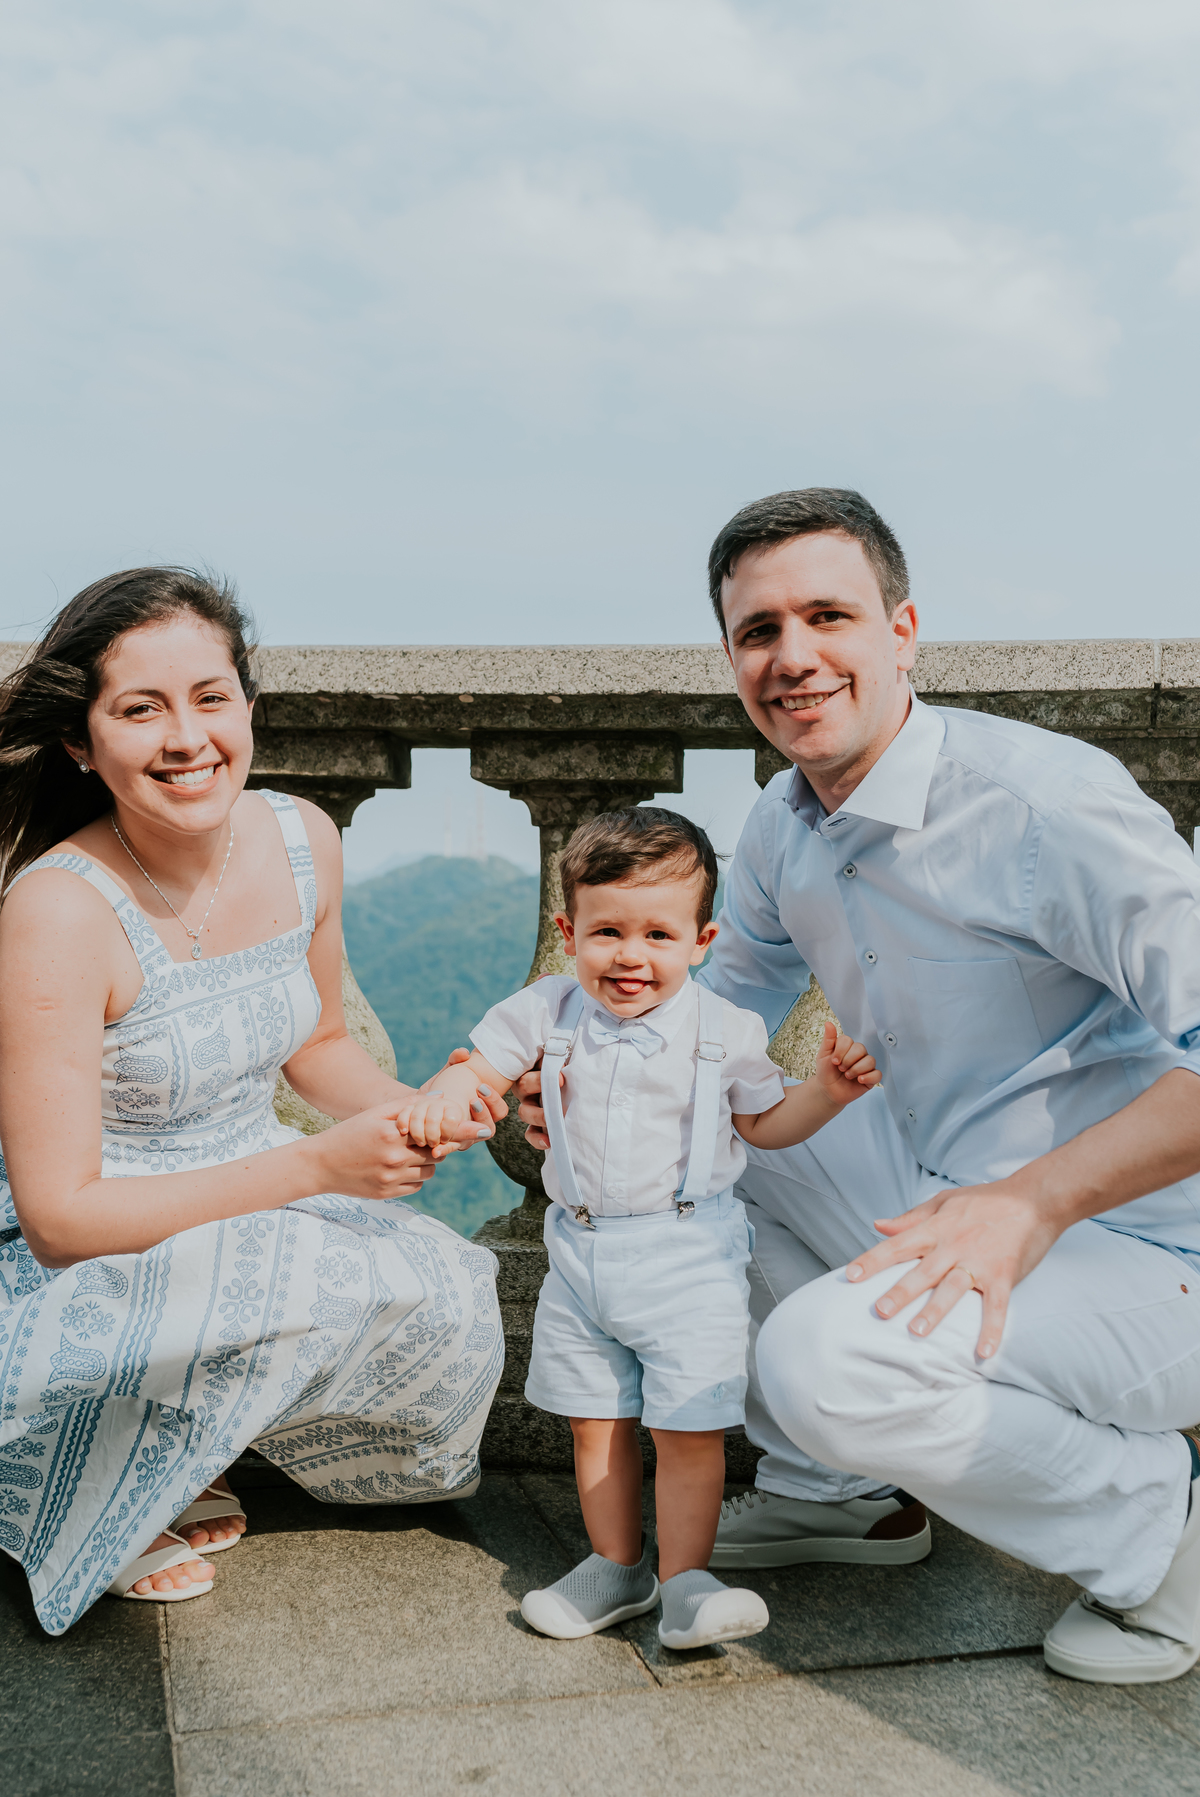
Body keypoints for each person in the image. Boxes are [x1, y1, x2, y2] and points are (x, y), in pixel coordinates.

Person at [0, 567, 507, 1635]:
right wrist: (317, 1165)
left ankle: (182, 1443)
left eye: (210, 697)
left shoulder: (302, 836)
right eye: (141, 709)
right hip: (99, 1234)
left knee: (443, 1295)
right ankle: (89, 1476)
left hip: (253, 1175)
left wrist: (422, 1109)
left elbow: (318, 1045)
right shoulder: (55, 910)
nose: (187, 737)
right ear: (82, 743)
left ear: (247, 704)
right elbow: (59, 1218)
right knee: (268, 1276)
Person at [405, 807, 881, 1650]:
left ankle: (687, 1579)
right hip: (579, 1251)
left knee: (686, 1426)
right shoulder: (548, 1008)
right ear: (568, 933)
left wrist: (827, 1094)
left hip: (688, 1255)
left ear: (702, 940)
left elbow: (764, 1123)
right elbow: (482, 1066)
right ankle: (615, 1564)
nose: (632, 955)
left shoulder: (724, 1028)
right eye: (608, 932)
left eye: (659, 934)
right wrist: (451, 1091)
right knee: (595, 1419)